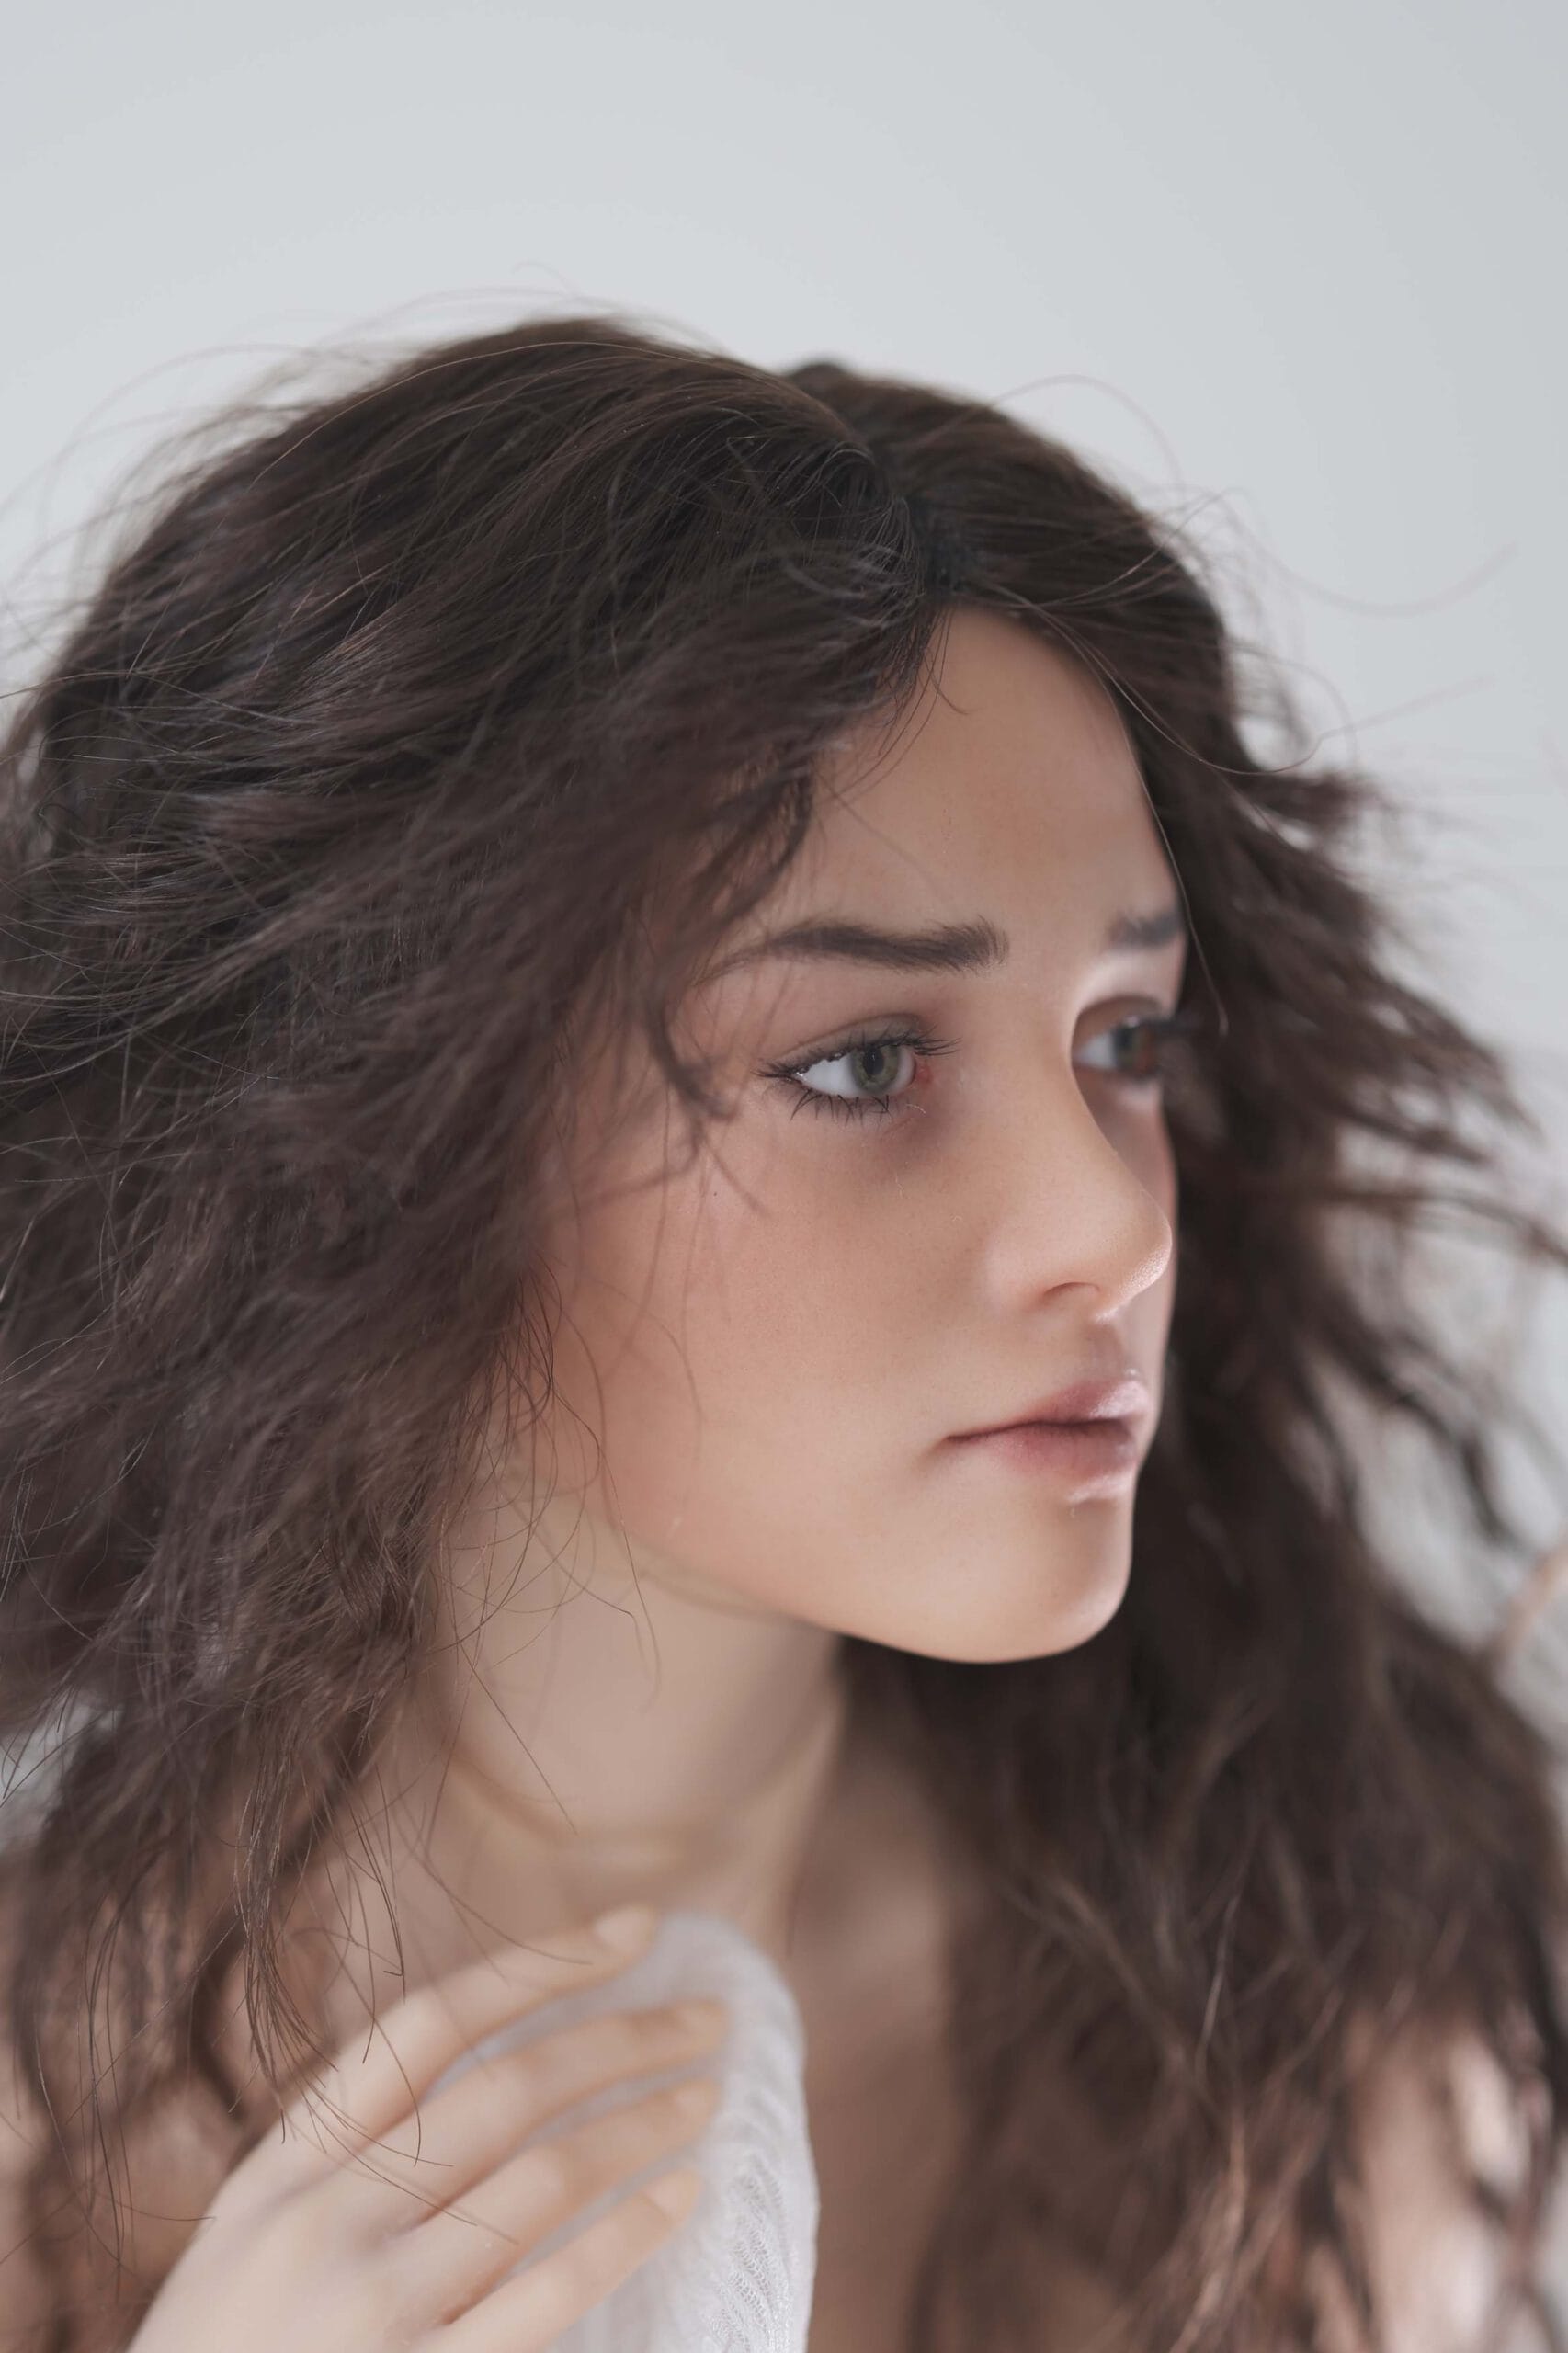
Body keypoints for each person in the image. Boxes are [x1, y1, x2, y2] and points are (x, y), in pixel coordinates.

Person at [1, 312, 1565, 2353]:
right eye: (864, 1062)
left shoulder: (1318, 2045)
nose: (1113, 1223)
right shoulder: (34, 2128)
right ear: (384, 1138)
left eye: (1125, 1039)